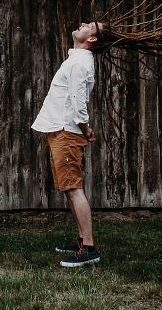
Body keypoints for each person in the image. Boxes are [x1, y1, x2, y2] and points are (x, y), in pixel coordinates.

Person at [31, 21, 101, 268]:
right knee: (69, 187)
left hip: (67, 131)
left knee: (73, 188)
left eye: (89, 25)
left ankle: (89, 249)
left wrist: (84, 127)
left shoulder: (80, 62)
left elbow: (78, 100)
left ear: (92, 39)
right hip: (61, 129)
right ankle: (82, 240)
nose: (83, 24)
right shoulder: (77, 59)